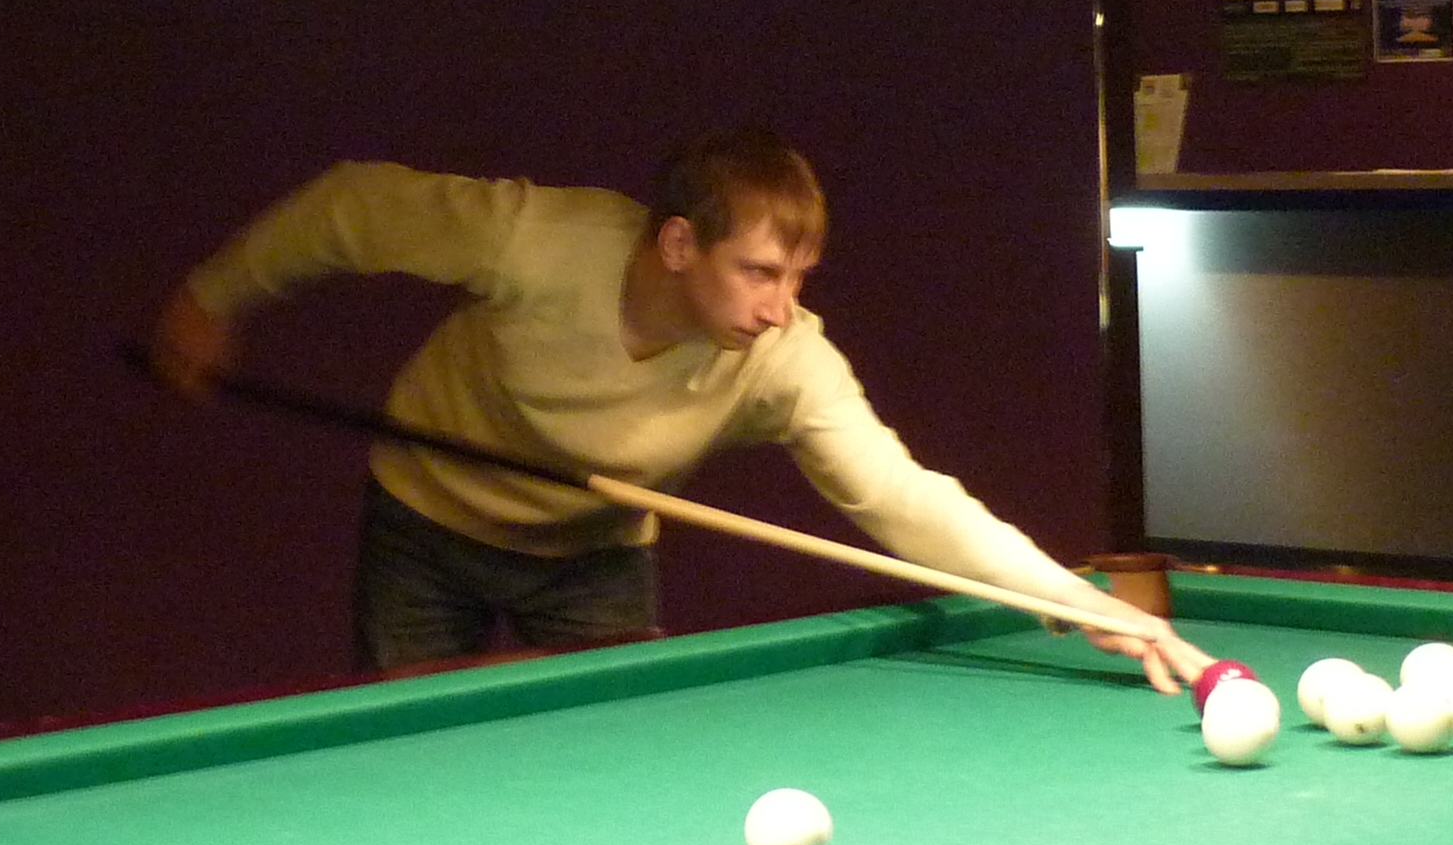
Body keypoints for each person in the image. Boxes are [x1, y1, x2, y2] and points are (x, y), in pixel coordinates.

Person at [148, 127, 1209, 688]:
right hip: (427, 527)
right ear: (677, 244)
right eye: (759, 272)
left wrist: (1076, 600)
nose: (781, 306)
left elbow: (903, 497)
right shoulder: (533, 241)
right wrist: (212, 296)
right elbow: (351, 207)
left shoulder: (783, 359)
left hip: (596, 552)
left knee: (615, 769)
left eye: (797, 277)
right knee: (408, 762)